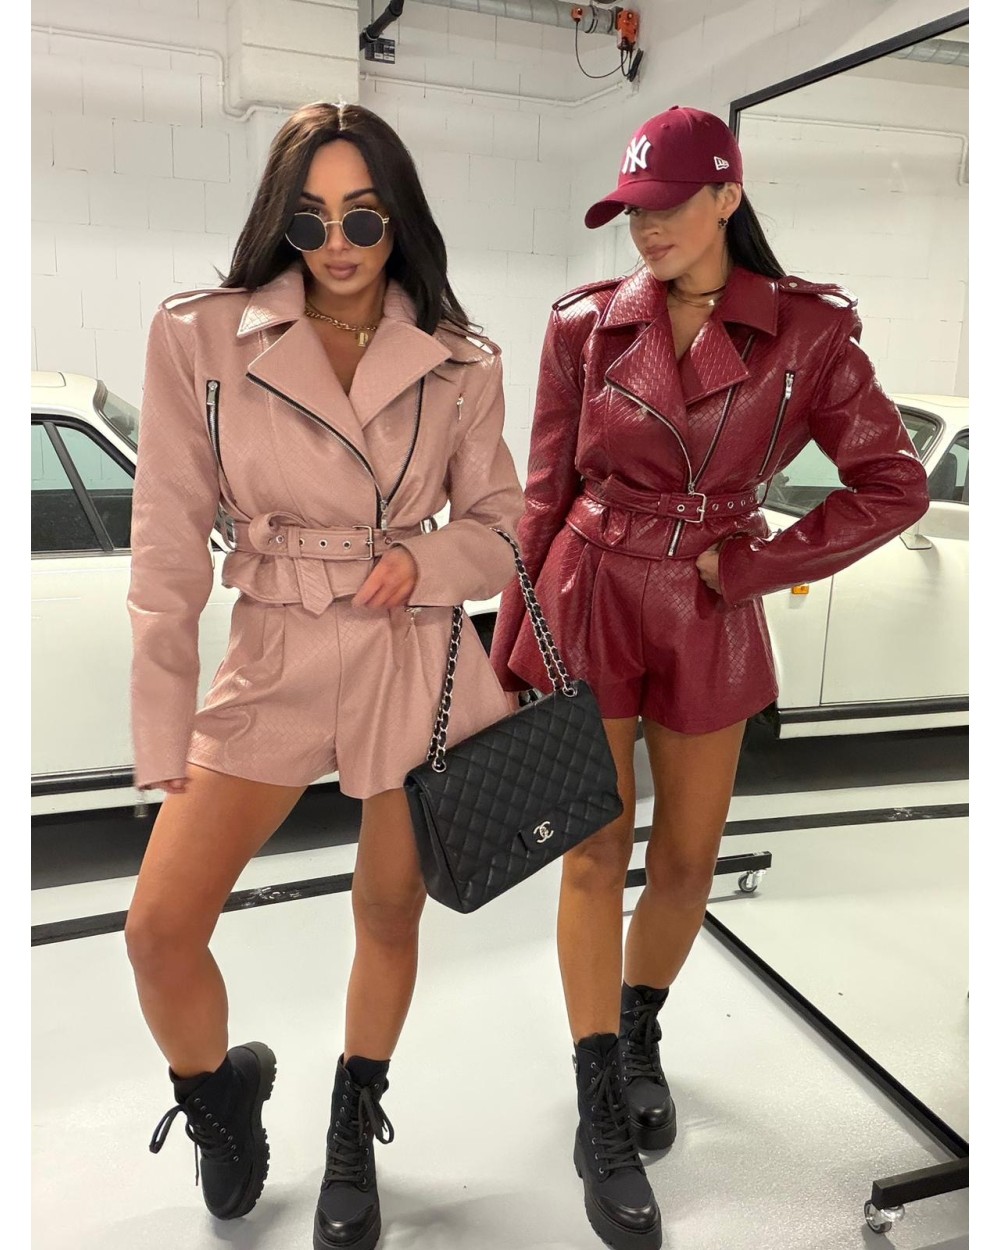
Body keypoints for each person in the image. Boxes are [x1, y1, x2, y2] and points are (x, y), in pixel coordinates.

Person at [489, 105, 929, 1250]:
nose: (646, 230)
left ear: (728, 195)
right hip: (589, 588)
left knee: (687, 853)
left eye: (669, 206)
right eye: (632, 211)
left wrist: (757, 564)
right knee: (594, 849)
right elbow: (542, 492)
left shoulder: (807, 333)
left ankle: (638, 1025)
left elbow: (892, 483)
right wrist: (510, 644)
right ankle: (599, 1092)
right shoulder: (584, 325)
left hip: (707, 605)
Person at [124, 101, 524, 1250]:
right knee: (159, 926)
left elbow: (503, 525)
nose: (336, 242)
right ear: (279, 221)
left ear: (399, 218)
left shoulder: (461, 358)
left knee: (387, 908)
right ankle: (221, 1096)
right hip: (276, 644)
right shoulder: (201, 338)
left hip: (410, 646)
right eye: (308, 218)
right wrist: (160, 727)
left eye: (363, 216)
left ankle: (355, 1121)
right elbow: (165, 544)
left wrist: (428, 560)